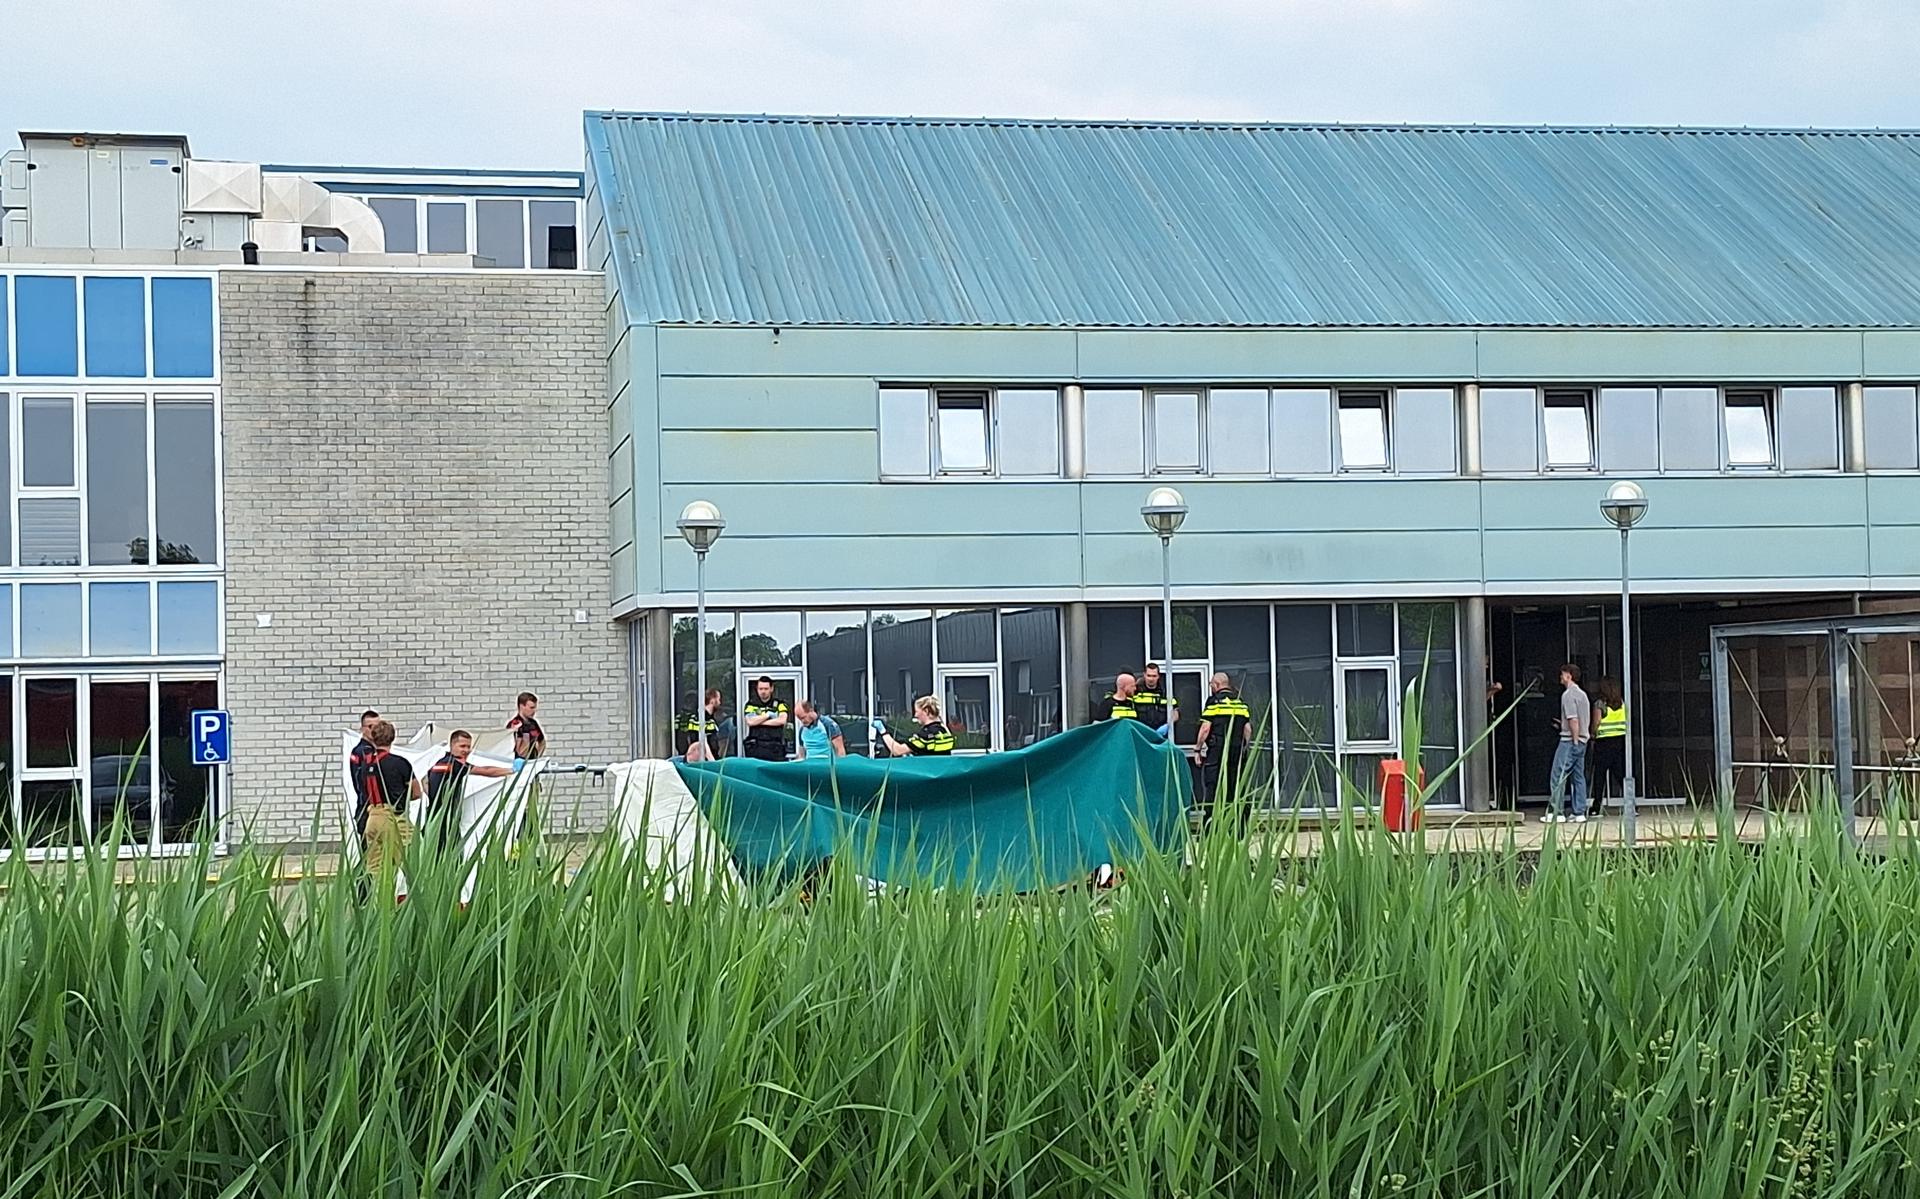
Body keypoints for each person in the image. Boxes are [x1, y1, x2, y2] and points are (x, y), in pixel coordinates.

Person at [424, 729, 512, 848]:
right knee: (451, 854)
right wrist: (512, 770)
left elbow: (424, 780)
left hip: (432, 816)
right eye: (462, 746)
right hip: (445, 820)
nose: (466, 750)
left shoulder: (440, 763)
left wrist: (432, 796)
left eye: (469, 747)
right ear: (452, 745)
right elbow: (486, 771)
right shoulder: (454, 764)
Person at [360, 719, 423, 875]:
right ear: (393, 738)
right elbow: (416, 793)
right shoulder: (400, 763)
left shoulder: (365, 765)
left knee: (376, 870)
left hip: (372, 817)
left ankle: (379, 898)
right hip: (392, 817)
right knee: (413, 860)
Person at [1196, 673, 1253, 823]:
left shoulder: (1214, 702)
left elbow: (1205, 728)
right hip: (1237, 752)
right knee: (1237, 788)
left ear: (1216, 684)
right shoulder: (1240, 702)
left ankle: (1211, 828)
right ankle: (1240, 828)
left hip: (1217, 751)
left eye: (1211, 685)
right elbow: (1248, 730)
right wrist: (1244, 747)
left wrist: (1198, 749)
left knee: (1213, 788)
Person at [1546, 664, 1591, 824]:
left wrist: (1574, 738)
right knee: (1578, 776)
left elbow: (1573, 719)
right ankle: (1579, 812)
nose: (1560, 676)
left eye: (1563, 674)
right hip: (1583, 740)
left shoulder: (1567, 695)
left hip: (1570, 741)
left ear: (1569, 676)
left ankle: (1557, 812)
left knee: (1558, 775)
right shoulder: (1583, 695)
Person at [873, 696, 955, 756]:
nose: (915, 715)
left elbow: (897, 751)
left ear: (926, 711)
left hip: (927, 774)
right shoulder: (945, 731)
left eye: (916, 711)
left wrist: (883, 731)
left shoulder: (925, 735)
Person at [1590, 678, 1628, 807]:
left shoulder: (1600, 704)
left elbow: (1596, 722)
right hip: (1619, 741)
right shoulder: (1622, 703)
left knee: (1599, 775)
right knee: (1620, 774)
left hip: (1603, 742)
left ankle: (1597, 805)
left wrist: (1592, 735)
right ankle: (1631, 804)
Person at [743, 677, 791, 761]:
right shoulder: (751, 704)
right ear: (757, 689)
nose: (763, 691)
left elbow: (782, 720)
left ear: (771, 689)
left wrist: (759, 721)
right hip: (756, 748)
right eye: (760, 689)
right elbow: (750, 721)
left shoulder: (780, 704)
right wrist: (769, 715)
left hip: (775, 748)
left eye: (766, 688)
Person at [349, 709, 381, 824]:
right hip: (368, 809)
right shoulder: (362, 752)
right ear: (362, 729)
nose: (374, 730)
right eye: (370, 726)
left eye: (377, 726)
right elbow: (361, 783)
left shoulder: (374, 750)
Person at [676, 689, 723, 761]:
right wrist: (712, 760)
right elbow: (700, 741)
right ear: (712, 700)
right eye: (718, 699)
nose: (720, 702)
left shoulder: (709, 719)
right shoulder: (700, 719)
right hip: (705, 760)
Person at [1134, 663, 1178, 738]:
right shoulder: (1135, 692)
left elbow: (1175, 712)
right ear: (1144, 675)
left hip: (1160, 737)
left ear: (1158, 676)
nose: (1151, 679)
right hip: (1141, 735)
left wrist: (1168, 725)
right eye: (1149, 675)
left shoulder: (1166, 693)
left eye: (1154, 676)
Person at [507, 692, 545, 763]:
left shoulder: (533, 723)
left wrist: (537, 758)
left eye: (534, 707)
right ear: (522, 706)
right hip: (517, 763)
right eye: (531, 708)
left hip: (531, 762)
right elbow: (518, 751)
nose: (534, 711)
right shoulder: (514, 724)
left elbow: (542, 742)